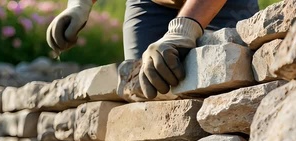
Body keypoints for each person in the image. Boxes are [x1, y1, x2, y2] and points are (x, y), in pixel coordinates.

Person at [46, 0, 259, 99]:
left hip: (223, 4)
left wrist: (183, 30)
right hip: (151, 4)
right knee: (145, 87)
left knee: (223, 84)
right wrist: (79, 5)